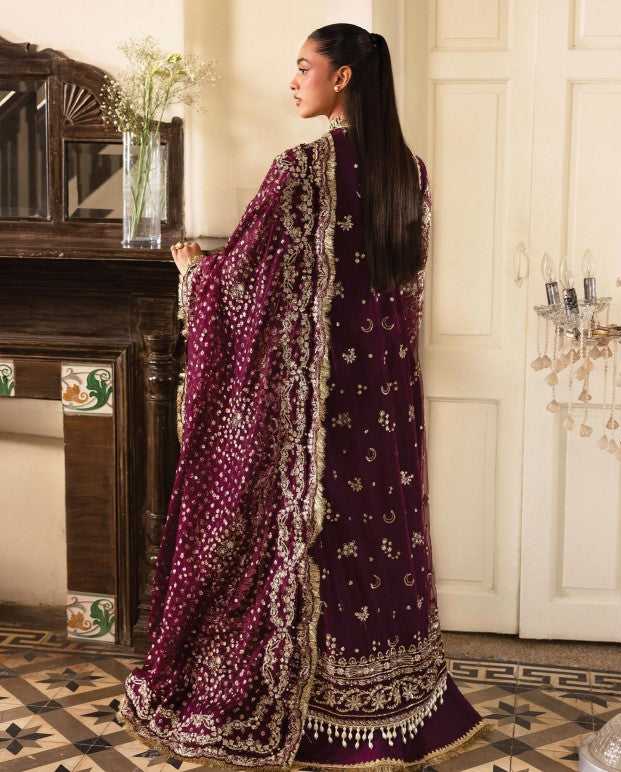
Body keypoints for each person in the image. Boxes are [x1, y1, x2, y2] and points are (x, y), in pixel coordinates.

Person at [117, 22, 489, 770]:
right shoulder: (409, 173)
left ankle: (311, 712)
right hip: (382, 398)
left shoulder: (301, 168)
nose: (292, 82)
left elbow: (244, 276)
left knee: (315, 541)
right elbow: (400, 295)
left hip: (316, 410)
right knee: (372, 538)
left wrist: (193, 272)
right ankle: (398, 700)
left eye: (302, 67)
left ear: (341, 77)